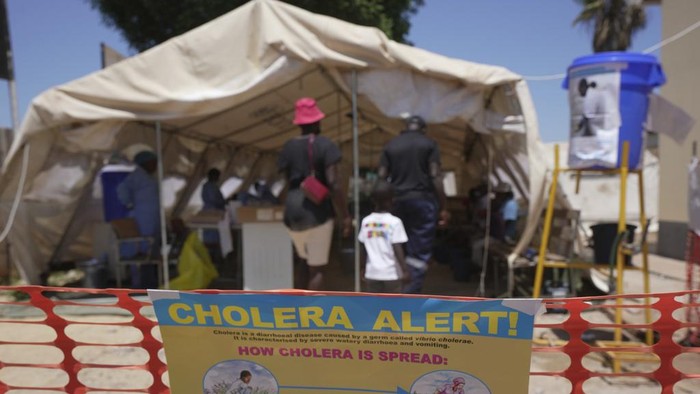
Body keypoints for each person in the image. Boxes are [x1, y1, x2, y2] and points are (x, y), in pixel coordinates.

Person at [277, 97, 351, 290]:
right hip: (317, 213)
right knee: (317, 269)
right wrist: (345, 215)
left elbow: (286, 179)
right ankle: (311, 315)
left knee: (303, 261)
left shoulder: (288, 146)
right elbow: (334, 183)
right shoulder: (326, 145)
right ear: (318, 121)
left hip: (292, 213)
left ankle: (297, 311)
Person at [377, 115, 449, 294]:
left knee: (395, 246)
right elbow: (435, 176)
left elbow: (381, 177)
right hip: (422, 202)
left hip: (395, 203)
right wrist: (444, 207)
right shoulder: (429, 144)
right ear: (423, 129)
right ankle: (410, 295)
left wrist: (379, 207)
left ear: (405, 128)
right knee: (418, 252)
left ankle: (392, 291)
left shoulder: (390, 145)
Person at [117, 150, 161, 289]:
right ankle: (138, 286)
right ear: (145, 163)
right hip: (142, 218)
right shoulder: (137, 176)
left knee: (151, 252)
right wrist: (130, 203)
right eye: (153, 163)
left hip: (152, 218)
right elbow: (121, 190)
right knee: (139, 252)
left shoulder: (149, 178)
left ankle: (150, 283)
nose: (155, 166)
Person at [358, 180, 409, 293]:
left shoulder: (366, 222)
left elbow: (363, 248)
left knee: (374, 306)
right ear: (392, 200)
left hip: (372, 273)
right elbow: (397, 248)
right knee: (393, 306)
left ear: (372, 200)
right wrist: (405, 270)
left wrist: (362, 268)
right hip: (391, 274)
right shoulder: (395, 222)